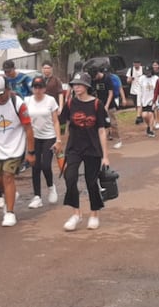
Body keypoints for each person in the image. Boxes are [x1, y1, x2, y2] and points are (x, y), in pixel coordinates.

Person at [59, 72, 110, 231]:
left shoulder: (97, 104)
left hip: (93, 148)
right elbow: (62, 124)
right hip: (74, 148)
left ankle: (94, 214)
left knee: (91, 181)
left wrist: (105, 156)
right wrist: (59, 141)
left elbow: (102, 131)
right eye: (74, 84)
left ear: (87, 86)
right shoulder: (70, 104)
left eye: (79, 84)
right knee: (70, 177)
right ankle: (76, 213)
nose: (76, 87)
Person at [0, 76, 35, 227]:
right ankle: (10, 194)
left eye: (1, 93)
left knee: (8, 176)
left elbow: (28, 129)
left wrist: (31, 152)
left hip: (15, 146)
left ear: (8, 90)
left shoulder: (18, 104)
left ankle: (10, 212)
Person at [25, 77, 61, 209]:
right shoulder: (27, 101)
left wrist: (58, 140)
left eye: (40, 87)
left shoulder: (50, 100)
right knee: (35, 166)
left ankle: (51, 187)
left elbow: (56, 121)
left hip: (49, 136)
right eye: (35, 87)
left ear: (44, 88)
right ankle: (37, 196)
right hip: (34, 137)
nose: (38, 89)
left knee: (46, 165)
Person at [89, 66, 121, 149]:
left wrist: (106, 105)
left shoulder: (107, 79)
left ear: (98, 73)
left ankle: (117, 140)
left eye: (94, 77)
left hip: (109, 105)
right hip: (99, 104)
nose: (94, 79)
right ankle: (99, 142)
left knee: (113, 123)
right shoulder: (93, 80)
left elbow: (111, 93)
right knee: (99, 124)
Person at [136, 66, 159, 138]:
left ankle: (151, 130)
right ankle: (149, 126)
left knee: (151, 114)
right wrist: (139, 103)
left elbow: (158, 90)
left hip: (153, 100)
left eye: (149, 72)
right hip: (144, 100)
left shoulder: (156, 78)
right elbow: (139, 91)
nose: (148, 74)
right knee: (145, 115)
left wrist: (157, 101)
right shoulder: (141, 79)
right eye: (146, 72)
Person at [126, 60, 144, 124]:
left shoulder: (143, 69)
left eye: (137, 63)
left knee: (141, 104)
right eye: (135, 63)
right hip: (133, 90)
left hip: (142, 90)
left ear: (140, 63)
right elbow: (127, 80)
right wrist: (130, 79)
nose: (136, 65)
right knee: (136, 105)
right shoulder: (130, 70)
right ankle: (139, 116)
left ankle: (139, 117)